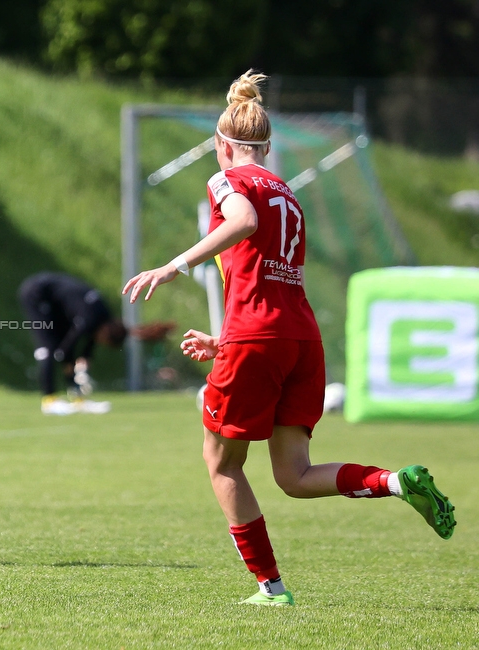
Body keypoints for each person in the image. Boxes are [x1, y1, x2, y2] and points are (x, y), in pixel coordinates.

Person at [122, 70, 456, 606]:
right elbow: (267, 279)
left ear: (220, 146)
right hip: (299, 339)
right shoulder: (289, 195)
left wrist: (174, 265)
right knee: (294, 476)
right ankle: (395, 481)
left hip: (259, 338)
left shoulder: (228, 181)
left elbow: (244, 222)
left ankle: (271, 588)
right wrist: (225, 340)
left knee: (223, 462)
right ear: (270, 147)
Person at [19, 272, 127, 414]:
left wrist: (84, 359)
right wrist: (73, 360)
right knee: (49, 348)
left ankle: (78, 400)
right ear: (106, 334)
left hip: (57, 303)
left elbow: (89, 338)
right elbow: (68, 346)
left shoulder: (102, 317)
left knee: (66, 352)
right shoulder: (91, 317)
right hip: (37, 294)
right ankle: (49, 401)